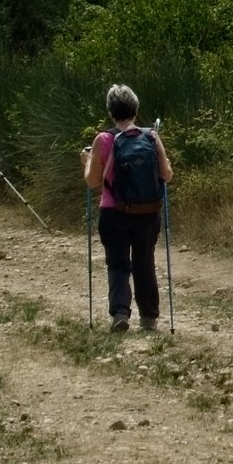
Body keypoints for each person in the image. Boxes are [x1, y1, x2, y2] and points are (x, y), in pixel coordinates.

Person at [81, 85, 170, 332]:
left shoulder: (104, 139)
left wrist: (87, 162)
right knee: (145, 263)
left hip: (113, 212)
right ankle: (149, 318)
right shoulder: (151, 136)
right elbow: (167, 175)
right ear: (135, 109)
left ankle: (120, 312)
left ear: (111, 111)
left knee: (118, 263)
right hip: (147, 211)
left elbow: (93, 181)